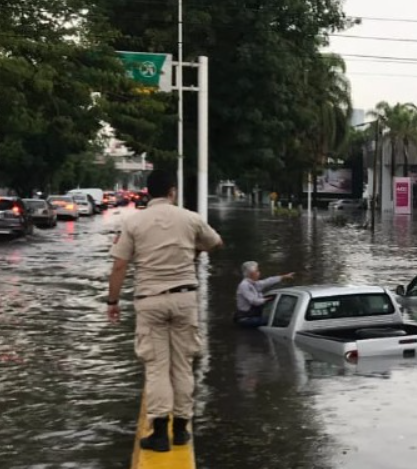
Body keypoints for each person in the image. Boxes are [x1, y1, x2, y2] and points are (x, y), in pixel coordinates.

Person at [106, 168, 224, 453]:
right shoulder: (190, 219)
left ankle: (160, 434)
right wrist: (192, 250)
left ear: (147, 192)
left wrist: (113, 302)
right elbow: (217, 243)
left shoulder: (133, 223)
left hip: (150, 300)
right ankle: (182, 429)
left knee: (157, 366)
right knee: (183, 364)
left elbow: (120, 265)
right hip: (185, 298)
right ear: (173, 191)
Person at [234, 261, 295, 327]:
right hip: (245, 319)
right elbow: (254, 301)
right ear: (251, 273)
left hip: (253, 316)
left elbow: (268, 281)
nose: (259, 273)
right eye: (257, 271)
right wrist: (266, 300)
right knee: (276, 321)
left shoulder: (255, 283)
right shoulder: (244, 285)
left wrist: (284, 276)